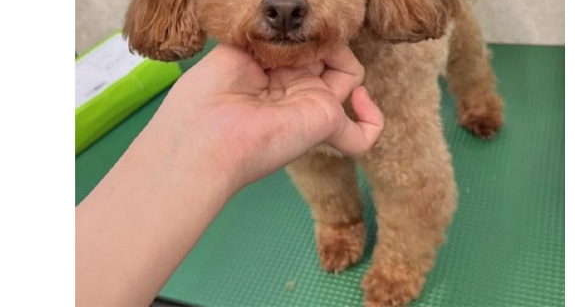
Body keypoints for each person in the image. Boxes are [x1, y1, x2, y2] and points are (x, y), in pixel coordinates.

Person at [76, 43, 384, 306]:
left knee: (401, 173)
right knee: (309, 161)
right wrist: (208, 143)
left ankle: (400, 263)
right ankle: (339, 221)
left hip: (382, 64)